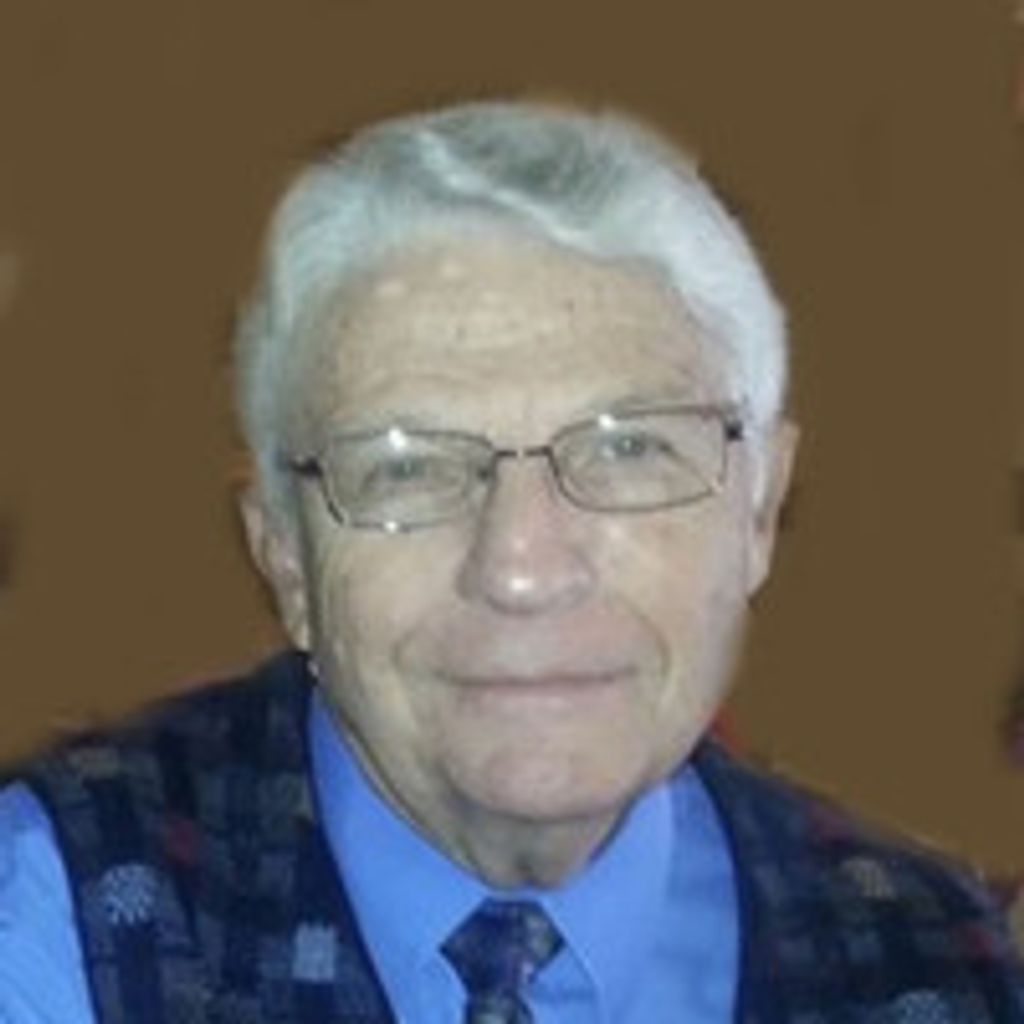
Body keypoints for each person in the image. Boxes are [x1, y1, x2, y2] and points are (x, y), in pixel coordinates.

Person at [1, 98, 1021, 1024]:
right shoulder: (57, 918)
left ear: (758, 508)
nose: (521, 568)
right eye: (406, 467)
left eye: (629, 449)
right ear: (283, 550)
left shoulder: (939, 963)